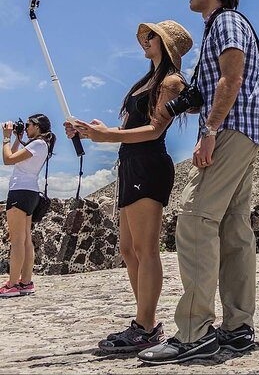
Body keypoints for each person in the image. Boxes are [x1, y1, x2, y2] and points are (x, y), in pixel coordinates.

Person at [138, 0, 259, 364]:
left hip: (227, 130)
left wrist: (208, 128)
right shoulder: (226, 26)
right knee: (233, 230)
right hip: (246, 132)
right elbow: (217, 84)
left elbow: (232, 78)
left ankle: (194, 333)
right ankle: (237, 327)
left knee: (194, 220)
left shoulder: (225, 21)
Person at [67, 21, 191, 350]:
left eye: (151, 36)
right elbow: (130, 128)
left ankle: (145, 326)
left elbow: (153, 130)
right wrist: (93, 130)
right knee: (128, 249)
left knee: (145, 249)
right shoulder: (147, 80)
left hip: (148, 164)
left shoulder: (171, 81)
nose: (144, 40)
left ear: (164, 43)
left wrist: (107, 136)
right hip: (131, 165)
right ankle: (144, 321)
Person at [0, 114, 54, 297]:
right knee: (25, 239)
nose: (27, 127)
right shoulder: (39, 145)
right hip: (30, 193)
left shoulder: (38, 144)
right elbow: (14, 157)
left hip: (20, 191)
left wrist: (6, 138)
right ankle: (25, 282)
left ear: (37, 127)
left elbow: (7, 159)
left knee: (17, 240)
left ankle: (12, 285)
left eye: (29, 124)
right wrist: (17, 139)